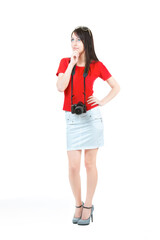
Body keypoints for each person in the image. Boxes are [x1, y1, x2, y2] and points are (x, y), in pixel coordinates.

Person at [56, 26, 120, 225]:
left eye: (78, 40)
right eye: (72, 39)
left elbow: (116, 87)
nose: (74, 43)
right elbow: (60, 87)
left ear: (87, 43)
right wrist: (71, 65)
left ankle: (89, 204)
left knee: (89, 164)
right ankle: (78, 203)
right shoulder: (65, 62)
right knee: (73, 167)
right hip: (72, 120)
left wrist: (101, 101)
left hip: (91, 119)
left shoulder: (96, 65)